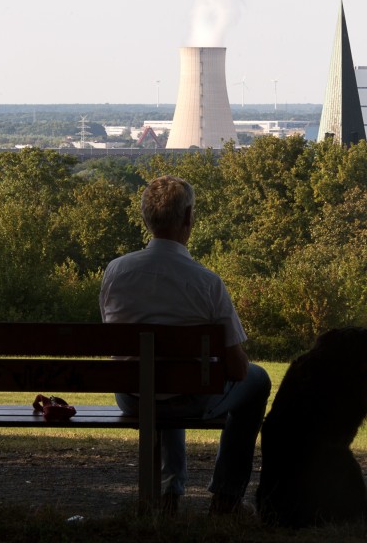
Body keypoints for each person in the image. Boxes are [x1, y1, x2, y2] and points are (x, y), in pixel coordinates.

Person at [99, 175, 271, 515]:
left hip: (131, 397)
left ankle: (169, 492)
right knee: (257, 379)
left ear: (146, 219)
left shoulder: (116, 271)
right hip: (187, 399)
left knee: (159, 378)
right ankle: (226, 497)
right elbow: (237, 369)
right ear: (189, 218)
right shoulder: (206, 282)